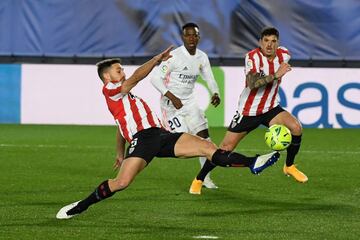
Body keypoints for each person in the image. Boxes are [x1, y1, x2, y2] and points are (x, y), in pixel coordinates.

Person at [56, 46, 279, 219]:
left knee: (208, 148)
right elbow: (134, 79)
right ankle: (80, 206)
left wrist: (119, 152)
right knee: (121, 183)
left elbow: (119, 125)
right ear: (107, 77)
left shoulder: (125, 99)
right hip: (143, 140)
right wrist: (156, 60)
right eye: (118, 69)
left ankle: (253, 163)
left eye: (122, 68)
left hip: (160, 135)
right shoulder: (110, 90)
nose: (122, 71)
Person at [189, 27, 307, 194]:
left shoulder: (284, 54)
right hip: (248, 112)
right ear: (260, 42)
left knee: (296, 127)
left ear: (278, 43)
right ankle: (199, 178)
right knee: (224, 148)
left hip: (271, 108)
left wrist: (277, 73)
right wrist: (276, 74)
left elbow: (282, 62)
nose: (269, 45)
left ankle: (289, 166)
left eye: (273, 41)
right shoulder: (252, 57)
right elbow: (252, 83)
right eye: (266, 41)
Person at [151, 22, 220, 189]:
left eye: (194, 35)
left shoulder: (202, 57)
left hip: (189, 102)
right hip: (171, 106)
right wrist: (172, 97)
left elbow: (209, 77)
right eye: (188, 35)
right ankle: (150, 149)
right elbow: (154, 78)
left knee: (205, 138)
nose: (191, 38)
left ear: (198, 37)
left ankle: (204, 178)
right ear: (183, 37)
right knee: (182, 142)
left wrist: (216, 92)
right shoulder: (174, 56)